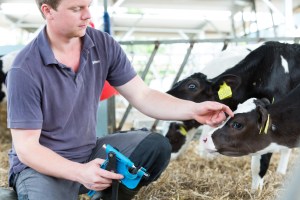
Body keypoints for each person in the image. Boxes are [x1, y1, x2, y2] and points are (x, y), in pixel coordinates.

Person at [5, 0, 234, 199]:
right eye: (77, 8)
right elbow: (28, 149)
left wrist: (194, 110)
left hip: (89, 152)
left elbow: (143, 95)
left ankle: (108, 197)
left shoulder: (102, 44)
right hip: (42, 167)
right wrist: (80, 172)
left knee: (155, 146)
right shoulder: (25, 68)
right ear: (48, 11)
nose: (87, 15)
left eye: (88, 6)